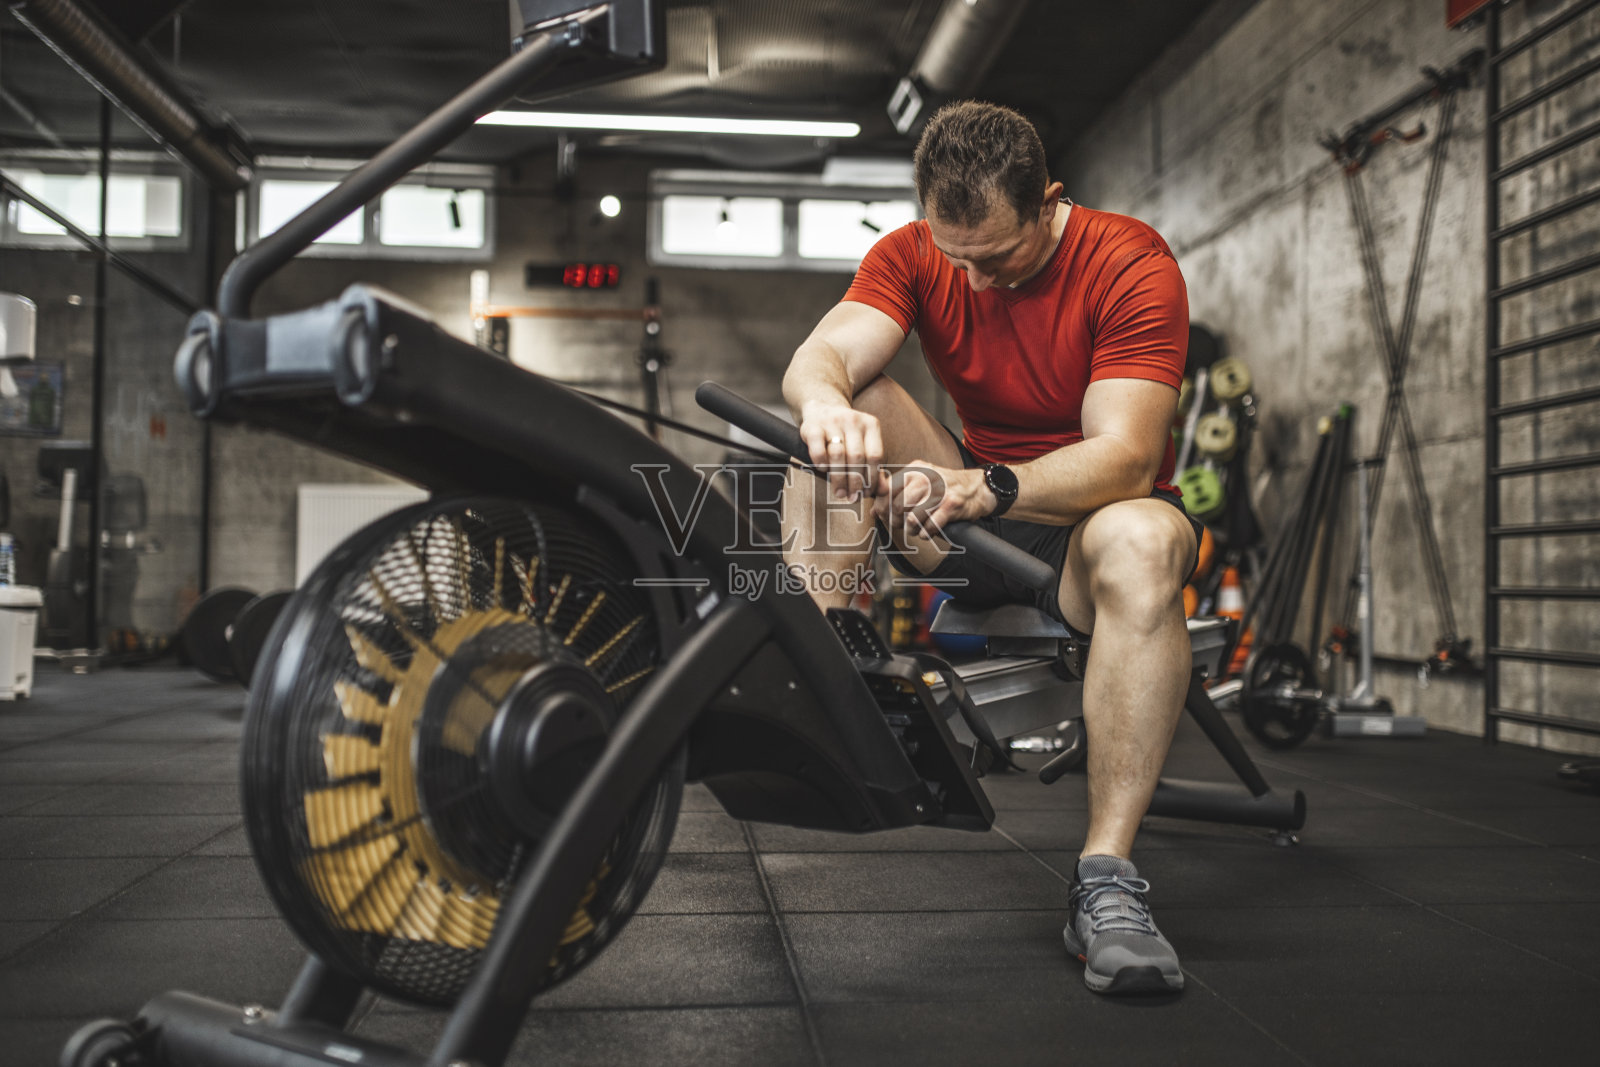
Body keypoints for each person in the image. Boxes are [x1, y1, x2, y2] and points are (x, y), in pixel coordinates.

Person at [779, 101, 1199, 996]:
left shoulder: (1129, 259)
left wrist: (993, 484)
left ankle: (1107, 880)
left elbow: (1127, 455)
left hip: (1083, 525)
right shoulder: (916, 252)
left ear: (1051, 204)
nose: (971, 285)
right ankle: (817, 688)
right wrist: (823, 405)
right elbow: (823, 353)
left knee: (1147, 535)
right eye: (955, 259)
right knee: (839, 426)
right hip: (965, 517)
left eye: (997, 259)